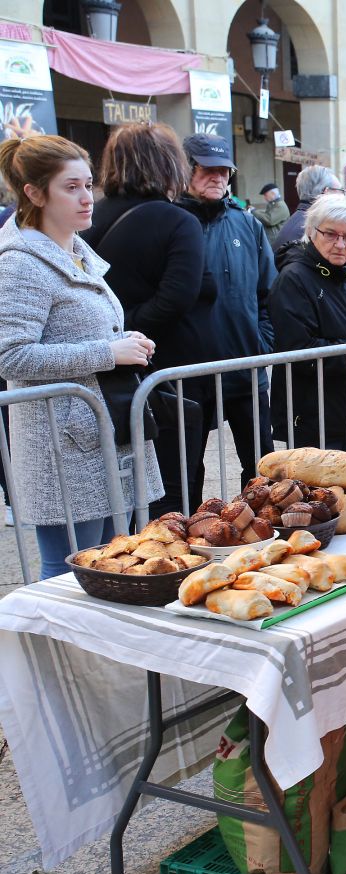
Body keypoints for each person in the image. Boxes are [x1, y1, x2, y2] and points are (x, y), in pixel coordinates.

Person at [0, 135, 162, 576]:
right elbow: (10, 357)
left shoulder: (77, 251)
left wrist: (122, 340)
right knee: (70, 569)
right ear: (34, 193)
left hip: (101, 431)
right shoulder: (20, 262)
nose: (88, 198)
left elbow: (75, 330)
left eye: (89, 184)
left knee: (117, 560)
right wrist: (108, 351)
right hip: (62, 444)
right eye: (71, 187)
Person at [85, 122, 207, 517]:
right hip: (163, 367)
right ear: (171, 164)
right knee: (172, 489)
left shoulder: (88, 217)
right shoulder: (177, 220)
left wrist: (113, 339)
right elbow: (177, 297)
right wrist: (130, 335)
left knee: (122, 488)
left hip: (105, 367)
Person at [177, 134, 275, 495]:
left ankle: (260, 534)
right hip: (189, 370)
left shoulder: (246, 223)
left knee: (261, 467)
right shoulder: (172, 220)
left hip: (244, 366)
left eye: (224, 171)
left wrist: (262, 342)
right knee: (187, 469)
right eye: (207, 169)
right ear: (186, 170)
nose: (217, 177)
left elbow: (268, 291)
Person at [268, 194, 346, 454]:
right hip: (314, 413)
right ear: (311, 232)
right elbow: (298, 349)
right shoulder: (293, 278)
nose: (340, 244)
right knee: (324, 493)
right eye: (331, 234)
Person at [272, 165, 342, 255]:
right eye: (341, 190)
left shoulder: (301, 220)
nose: (343, 196)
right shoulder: (314, 228)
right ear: (326, 192)